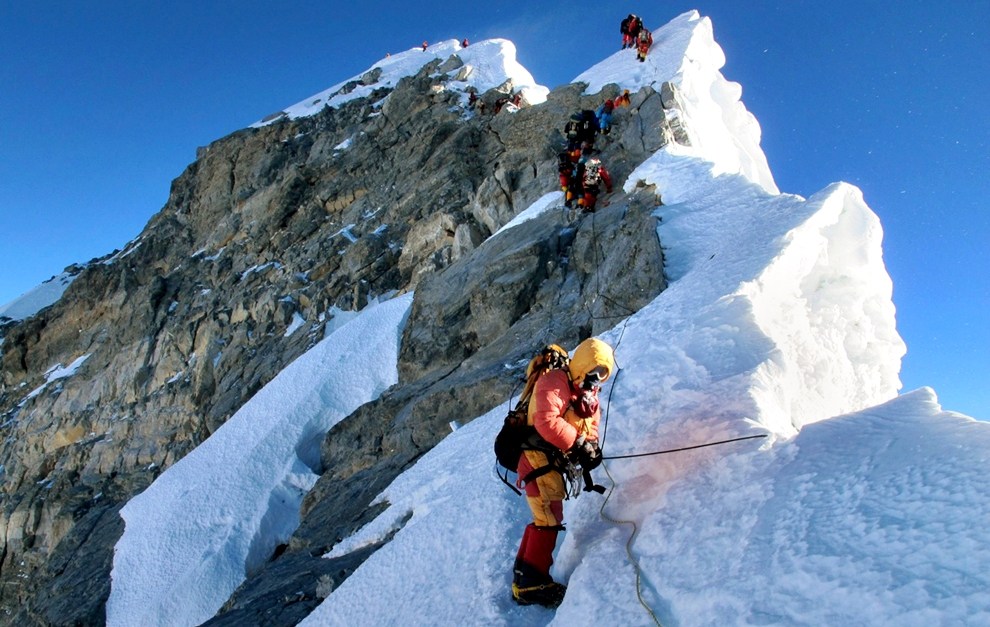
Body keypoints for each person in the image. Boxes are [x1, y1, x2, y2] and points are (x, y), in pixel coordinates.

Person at [512, 338, 616, 607]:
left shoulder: (585, 392)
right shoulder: (555, 381)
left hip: (548, 464)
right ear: (581, 364)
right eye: (593, 369)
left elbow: (590, 424)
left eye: (602, 373)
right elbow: (546, 421)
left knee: (545, 517)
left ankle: (523, 577)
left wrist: (590, 447)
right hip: (537, 461)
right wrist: (578, 444)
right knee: (547, 518)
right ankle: (531, 585)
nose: (595, 378)